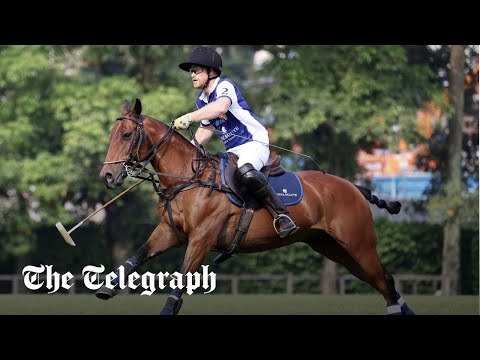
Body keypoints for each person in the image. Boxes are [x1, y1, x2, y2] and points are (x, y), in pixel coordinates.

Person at [173, 46, 299, 238]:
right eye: (191, 72)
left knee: (245, 170)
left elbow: (220, 107)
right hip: (233, 150)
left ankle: (282, 215)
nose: (192, 75)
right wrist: (186, 151)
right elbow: (206, 130)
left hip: (254, 142)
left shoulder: (225, 85)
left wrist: (190, 116)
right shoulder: (201, 99)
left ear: (211, 71)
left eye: (196, 70)